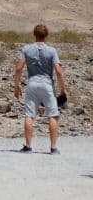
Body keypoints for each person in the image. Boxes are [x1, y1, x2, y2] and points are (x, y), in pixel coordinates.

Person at [14, 23, 68, 154]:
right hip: (47, 85)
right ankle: (53, 147)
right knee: (53, 115)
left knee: (29, 115)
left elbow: (18, 69)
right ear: (47, 35)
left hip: (32, 84)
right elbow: (59, 72)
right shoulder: (52, 51)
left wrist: (16, 86)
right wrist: (63, 89)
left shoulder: (26, 49)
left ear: (34, 35)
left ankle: (28, 146)